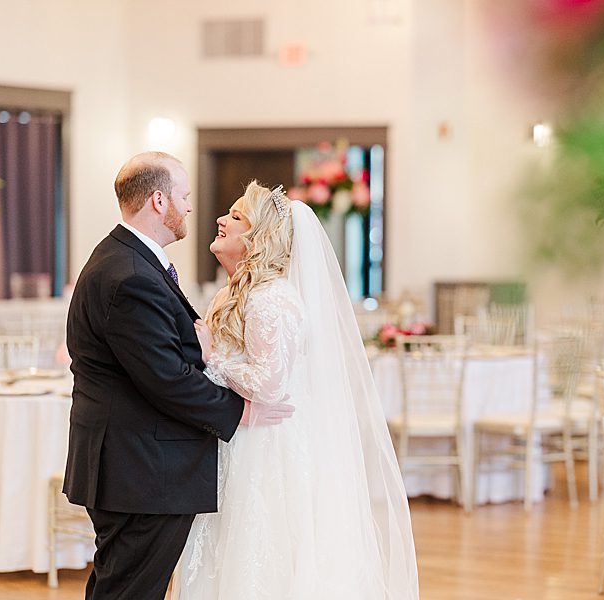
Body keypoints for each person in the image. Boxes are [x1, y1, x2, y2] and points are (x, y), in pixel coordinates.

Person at [171, 181, 419, 599]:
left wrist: (213, 357)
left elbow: (270, 383)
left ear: (259, 236)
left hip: (265, 449)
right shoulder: (234, 293)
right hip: (235, 440)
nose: (220, 220)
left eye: (236, 216)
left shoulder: (272, 299)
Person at [63, 153, 294, 600]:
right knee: (129, 591)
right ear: (158, 200)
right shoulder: (131, 274)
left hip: (136, 466)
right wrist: (242, 411)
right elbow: (166, 378)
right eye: (184, 196)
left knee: (122, 585)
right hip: (142, 470)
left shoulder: (126, 260)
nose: (191, 207)